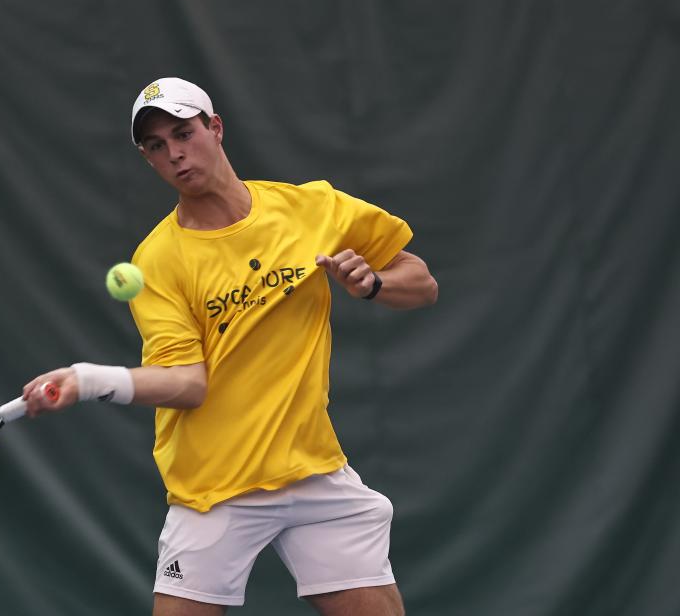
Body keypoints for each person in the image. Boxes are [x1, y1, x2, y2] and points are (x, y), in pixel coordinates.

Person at [22, 77, 438, 616]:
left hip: (312, 471)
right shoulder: (157, 262)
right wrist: (89, 379)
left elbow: (422, 284)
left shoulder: (314, 208)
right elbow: (188, 385)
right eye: (155, 145)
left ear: (215, 128)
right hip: (213, 489)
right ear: (147, 159)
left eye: (183, 133)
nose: (174, 153)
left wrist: (373, 284)